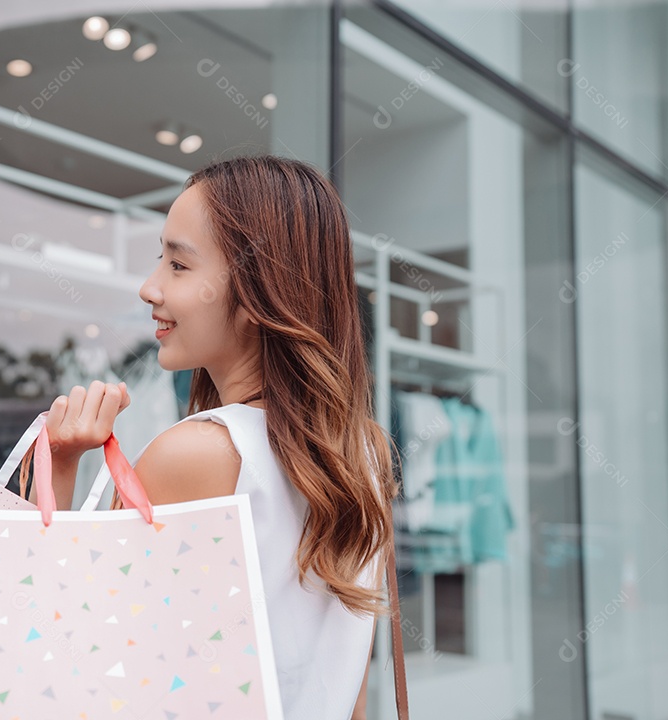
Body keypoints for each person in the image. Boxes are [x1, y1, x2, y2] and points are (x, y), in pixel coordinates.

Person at [31, 155, 399, 720]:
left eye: (179, 265)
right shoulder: (362, 454)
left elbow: (77, 660)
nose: (149, 288)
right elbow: (351, 695)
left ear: (257, 292)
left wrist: (58, 465)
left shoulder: (198, 454)